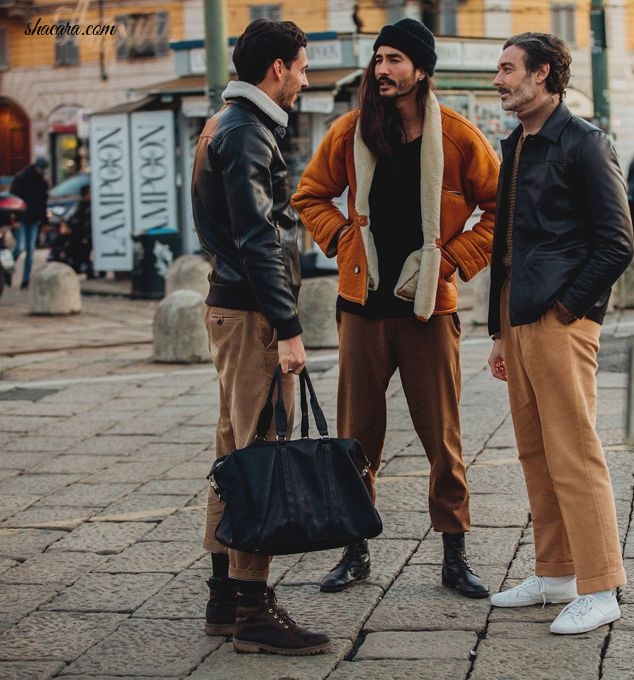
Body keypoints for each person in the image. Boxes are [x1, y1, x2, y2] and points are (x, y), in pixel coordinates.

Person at [292, 18, 500, 599]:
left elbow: (499, 207)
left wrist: (453, 258)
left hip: (429, 309)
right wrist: (340, 240)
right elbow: (308, 195)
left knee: (444, 438)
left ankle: (454, 555)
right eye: (378, 59)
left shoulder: (458, 136)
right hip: (361, 306)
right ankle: (353, 550)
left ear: (421, 70)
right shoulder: (352, 131)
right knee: (357, 437)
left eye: (393, 60)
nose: (381, 70)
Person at [191, 19, 330, 656]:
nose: (305, 79)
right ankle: (253, 608)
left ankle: (224, 598)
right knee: (258, 455)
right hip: (251, 315)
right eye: (302, 67)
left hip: (230, 306)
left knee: (232, 452)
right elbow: (258, 238)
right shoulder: (248, 132)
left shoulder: (225, 123)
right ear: (276, 68)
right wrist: (289, 325)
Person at [486, 32, 633, 635]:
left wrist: (571, 309)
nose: (499, 80)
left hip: (557, 320)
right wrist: (498, 331)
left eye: (507, 69)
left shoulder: (585, 143)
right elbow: (507, 244)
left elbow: (617, 243)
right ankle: (555, 572)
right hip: (516, 320)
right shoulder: (518, 143)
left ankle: (601, 587)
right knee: (534, 451)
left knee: (573, 453)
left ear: (542, 75)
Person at [9, 157, 49, 290]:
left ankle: (25, 279)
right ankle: (6, 268)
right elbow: (13, 199)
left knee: (30, 251)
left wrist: (44, 222)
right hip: (21, 219)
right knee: (20, 247)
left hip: (34, 219)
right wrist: (13, 219)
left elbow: (43, 203)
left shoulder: (42, 182)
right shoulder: (22, 179)